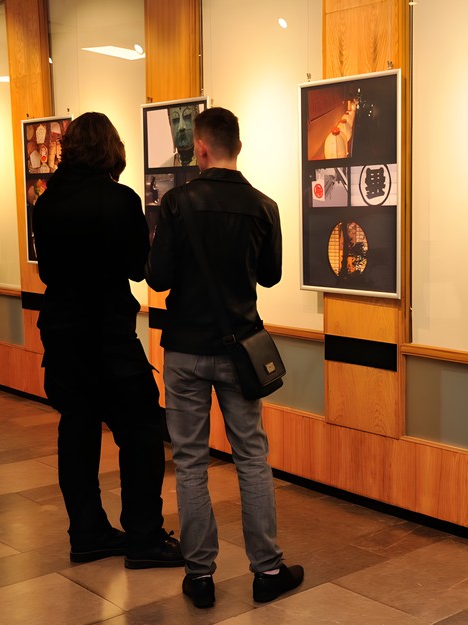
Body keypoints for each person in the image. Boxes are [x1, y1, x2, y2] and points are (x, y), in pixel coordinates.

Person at [146, 107, 303, 609]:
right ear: (238, 146)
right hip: (239, 351)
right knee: (251, 458)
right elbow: (272, 275)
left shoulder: (175, 203)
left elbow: (158, 278)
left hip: (185, 351)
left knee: (190, 461)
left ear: (202, 149)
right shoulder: (264, 206)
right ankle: (268, 570)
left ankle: (200, 576)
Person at [32, 112, 184, 570]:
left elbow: (46, 272)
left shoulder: (46, 201)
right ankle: (142, 536)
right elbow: (140, 269)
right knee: (140, 431)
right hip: (109, 336)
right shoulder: (120, 200)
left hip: (61, 334)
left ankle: (87, 533)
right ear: (111, 149)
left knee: (76, 431)